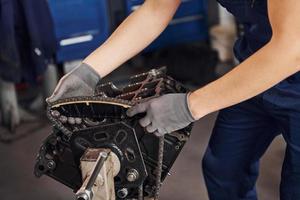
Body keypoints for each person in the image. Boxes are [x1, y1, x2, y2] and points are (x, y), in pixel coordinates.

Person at [47, 0, 300, 199]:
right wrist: (88, 71)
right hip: (255, 69)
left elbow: (291, 50)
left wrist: (189, 107)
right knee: (224, 169)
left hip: (286, 65)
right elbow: (156, 8)